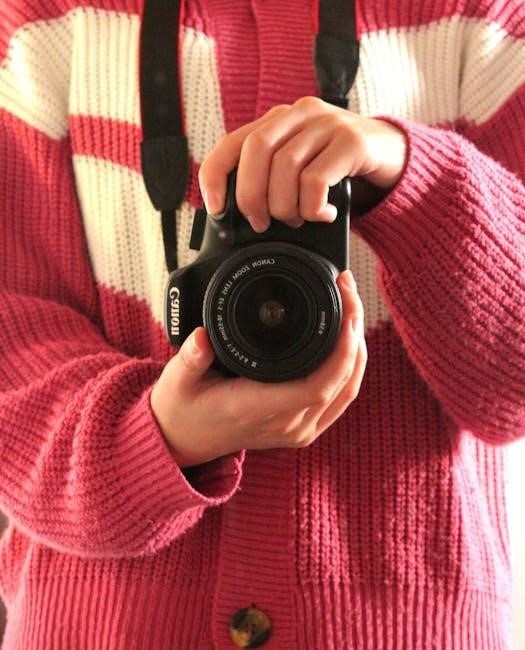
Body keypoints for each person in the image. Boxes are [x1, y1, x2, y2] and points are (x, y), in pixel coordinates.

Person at [0, 0, 523, 648]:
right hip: (104, 624)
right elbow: (14, 362)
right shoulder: (48, 21)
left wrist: (411, 179)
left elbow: (515, 384)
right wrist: (152, 437)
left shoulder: (485, 19)